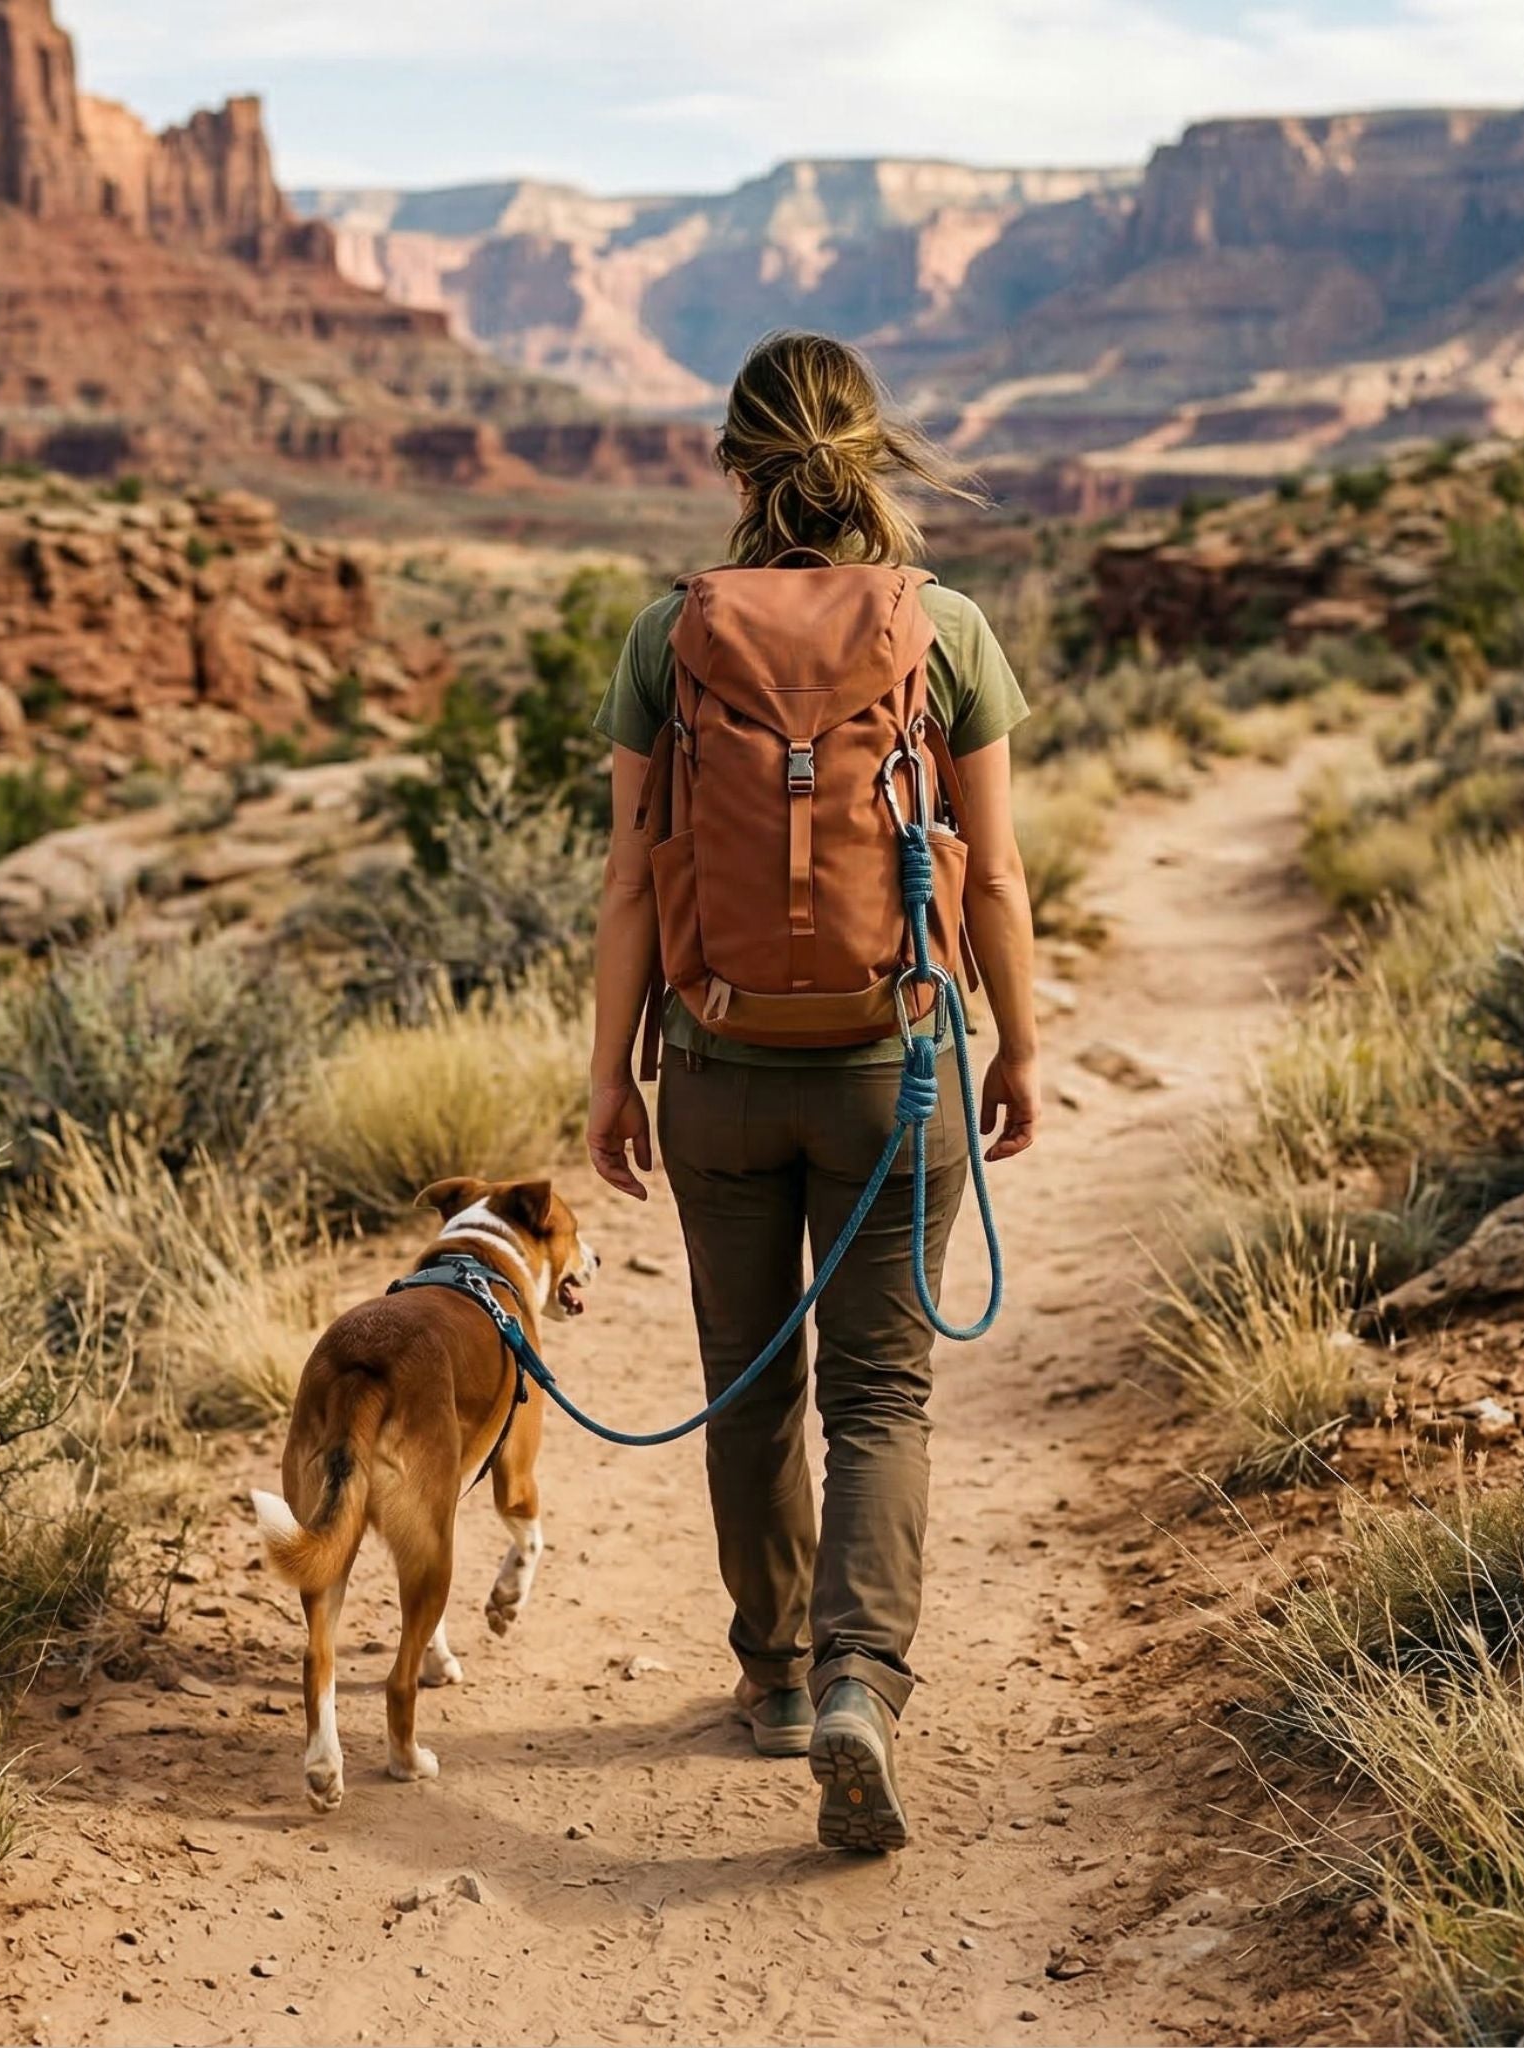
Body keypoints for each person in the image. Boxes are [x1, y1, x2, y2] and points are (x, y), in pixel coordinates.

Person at [584, 330, 1040, 1852]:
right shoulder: (946, 626)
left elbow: (628, 890)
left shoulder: (670, 634)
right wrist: (1020, 1045)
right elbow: (1000, 876)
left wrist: (611, 1082)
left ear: (734, 462)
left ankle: (775, 1679)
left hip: (714, 1066)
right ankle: (860, 1678)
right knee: (883, 1390)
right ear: (870, 457)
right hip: (893, 1069)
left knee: (749, 1380)